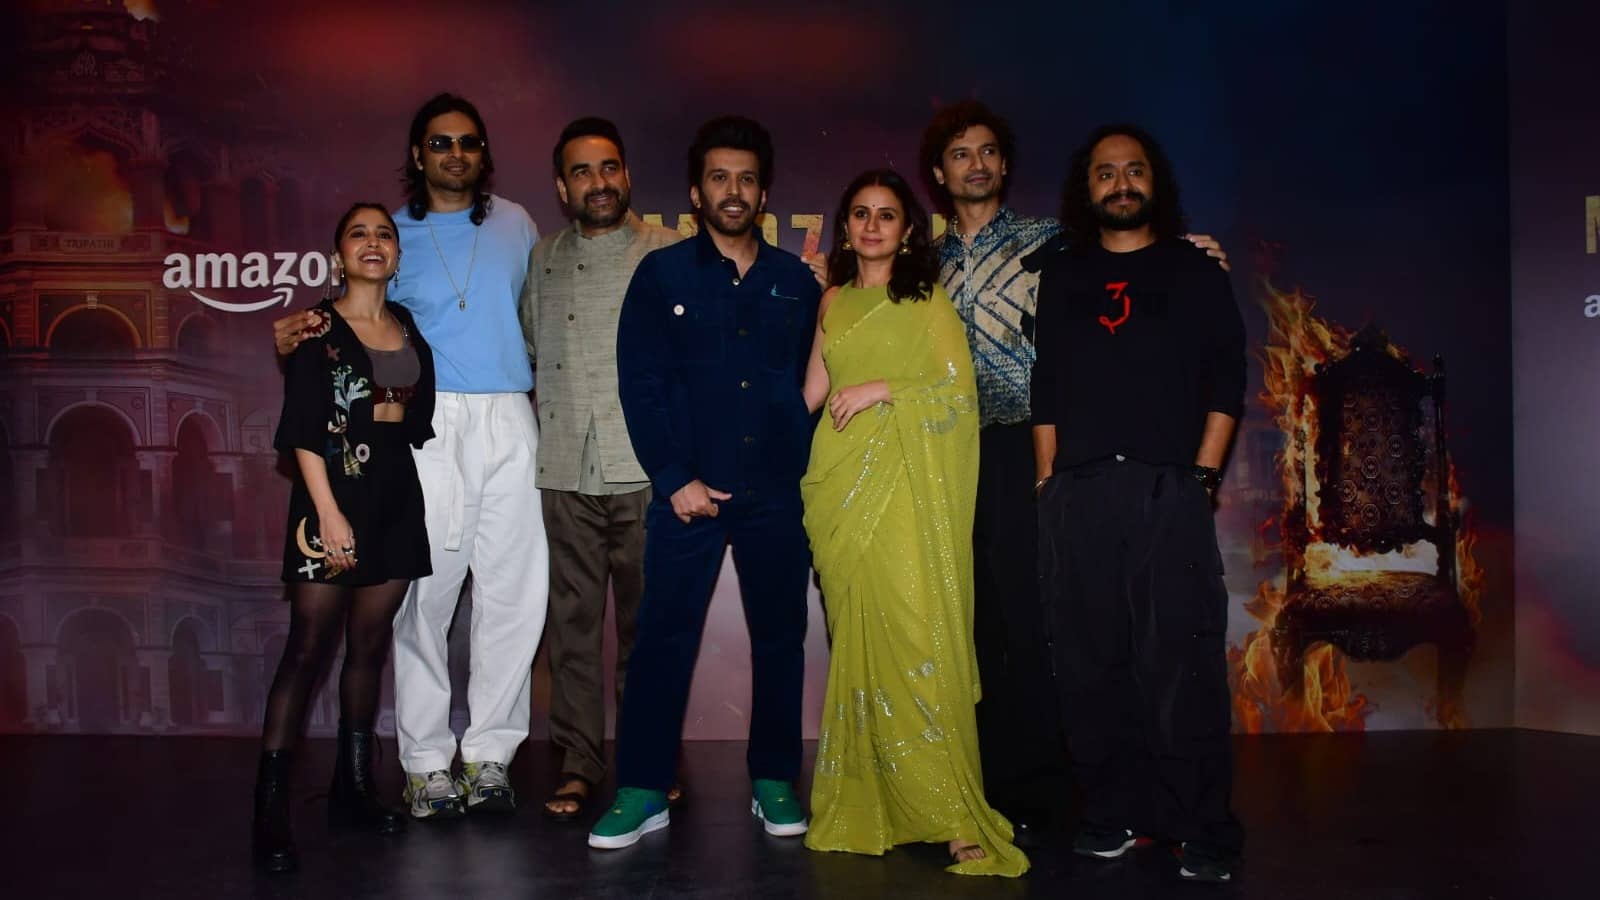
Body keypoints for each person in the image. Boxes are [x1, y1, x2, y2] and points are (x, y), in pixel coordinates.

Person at [920, 101, 1231, 831]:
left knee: (1038, 621)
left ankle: (1048, 793)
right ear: (939, 173)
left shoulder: (1052, 244)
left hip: (1029, 446)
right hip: (944, 452)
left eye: (987, 151)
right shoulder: (923, 261)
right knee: (969, 623)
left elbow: (1134, 256)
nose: (976, 164)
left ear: (1005, 164)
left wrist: (1197, 251)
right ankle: (984, 789)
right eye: (960, 154)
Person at [273, 93, 548, 819]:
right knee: (423, 595)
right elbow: (351, 321)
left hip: (510, 413)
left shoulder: (518, 224)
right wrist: (291, 335)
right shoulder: (392, 235)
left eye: (467, 142)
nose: (455, 154)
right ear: (418, 155)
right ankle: (425, 764)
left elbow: (535, 315)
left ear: (484, 153)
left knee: (514, 594)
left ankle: (491, 757)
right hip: (426, 428)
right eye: (439, 143)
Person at [588, 116, 820, 850]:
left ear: (764, 192)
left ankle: (774, 777)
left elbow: (814, 383)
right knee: (662, 639)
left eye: (747, 178)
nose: (734, 190)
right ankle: (642, 788)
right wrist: (673, 477)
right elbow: (640, 384)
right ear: (697, 191)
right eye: (720, 177)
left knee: (781, 638)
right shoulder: (662, 276)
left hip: (776, 494)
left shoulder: (795, 282)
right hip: (689, 495)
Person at [1031, 124, 1246, 883]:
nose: (1120, 183)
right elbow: (1046, 387)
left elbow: (1227, 380)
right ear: (1085, 188)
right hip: (1079, 493)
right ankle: (1109, 812)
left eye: (1134, 170)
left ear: (1155, 182)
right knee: (1087, 664)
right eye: (1105, 172)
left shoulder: (1196, 271)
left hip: (1168, 489)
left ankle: (1204, 826)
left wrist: (1201, 479)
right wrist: (1047, 483)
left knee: (1181, 665)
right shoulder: (1063, 275)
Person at [799, 169, 1028, 877]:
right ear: (846, 228)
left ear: (906, 232)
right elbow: (809, 394)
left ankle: (954, 815)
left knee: (915, 639)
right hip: (838, 486)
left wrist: (883, 389)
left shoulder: (927, 301)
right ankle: (872, 804)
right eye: (861, 213)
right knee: (860, 645)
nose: (872, 225)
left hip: (905, 487)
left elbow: (959, 395)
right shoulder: (832, 299)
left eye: (887, 215)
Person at [253, 203, 435, 872]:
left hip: (395, 498)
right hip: (330, 497)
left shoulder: (406, 324)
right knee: (306, 650)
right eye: (358, 233)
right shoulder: (315, 327)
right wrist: (328, 514)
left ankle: (352, 791)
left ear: (397, 256)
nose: (373, 242)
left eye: (384, 234)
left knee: (368, 648)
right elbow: (303, 429)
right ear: (338, 256)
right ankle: (269, 813)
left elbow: (414, 420)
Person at [517, 117, 681, 820]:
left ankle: (647, 762)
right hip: (565, 470)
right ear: (563, 187)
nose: (599, 182)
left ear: (627, 175)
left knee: (649, 630)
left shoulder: (668, 252)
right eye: (582, 171)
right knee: (572, 630)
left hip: (645, 469)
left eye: (609, 167)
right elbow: (531, 343)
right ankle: (578, 764)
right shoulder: (543, 259)